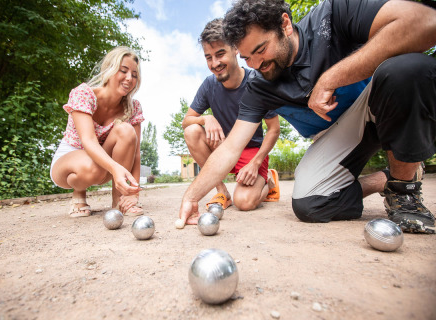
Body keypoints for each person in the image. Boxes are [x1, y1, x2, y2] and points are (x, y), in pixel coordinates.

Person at [178, 0, 436, 233]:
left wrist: (332, 78)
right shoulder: (258, 86)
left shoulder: (334, 15)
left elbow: (426, 22)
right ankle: (386, 178)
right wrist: (192, 196)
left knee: (405, 69)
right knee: (309, 204)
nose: (255, 65)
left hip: (378, 105)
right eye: (247, 58)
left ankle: (404, 191)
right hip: (338, 135)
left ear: (285, 24)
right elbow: (232, 146)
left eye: (261, 49)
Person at [179, 18, 281, 226]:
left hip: (252, 152)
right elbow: (186, 121)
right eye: (208, 57)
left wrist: (256, 162)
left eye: (220, 54)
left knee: (243, 202)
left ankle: (269, 182)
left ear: (235, 48)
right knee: (192, 131)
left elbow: (274, 129)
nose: (214, 64)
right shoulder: (208, 85)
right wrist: (205, 118)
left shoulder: (257, 82)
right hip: (223, 149)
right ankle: (222, 191)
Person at [51, 46, 145, 217]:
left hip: (105, 164)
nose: (129, 78)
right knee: (91, 167)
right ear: (110, 70)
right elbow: (88, 141)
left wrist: (133, 193)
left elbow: (136, 154)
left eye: (134, 75)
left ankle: (119, 201)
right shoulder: (84, 94)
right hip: (72, 162)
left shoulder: (133, 108)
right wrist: (115, 169)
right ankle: (78, 193)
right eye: (123, 71)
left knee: (126, 130)